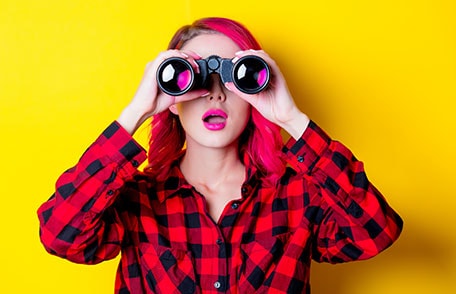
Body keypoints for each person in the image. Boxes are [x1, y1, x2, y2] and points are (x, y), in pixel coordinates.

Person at [37, 17, 403, 293]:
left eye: (234, 76)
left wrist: (291, 118)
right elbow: (60, 235)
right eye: (194, 77)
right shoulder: (137, 199)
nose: (216, 94)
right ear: (173, 97)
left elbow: (376, 232)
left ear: (255, 88)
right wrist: (138, 110)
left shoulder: (297, 196)